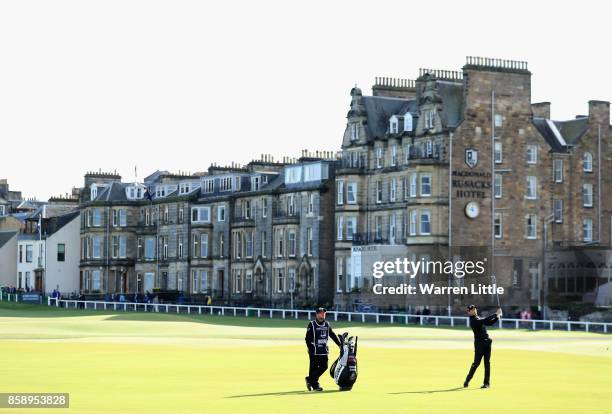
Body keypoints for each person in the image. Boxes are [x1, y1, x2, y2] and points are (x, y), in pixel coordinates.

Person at [463, 304, 502, 389]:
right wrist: (495, 314)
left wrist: (497, 317)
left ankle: (486, 383)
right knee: (476, 363)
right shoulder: (473, 321)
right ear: (469, 312)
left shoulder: (479, 318)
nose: (474, 310)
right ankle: (467, 380)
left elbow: (489, 322)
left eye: (475, 309)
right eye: (472, 310)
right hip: (479, 344)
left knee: (487, 364)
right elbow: (485, 319)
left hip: (487, 342)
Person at [304, 307, 341, 391]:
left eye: (324, 313)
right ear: (317, 314)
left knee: (324, 366)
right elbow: (307, 339)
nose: (322, 315)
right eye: (320, 313)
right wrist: (310, 349)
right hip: (314, 351)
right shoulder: (312, 324)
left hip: (324, 350)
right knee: (313, 368)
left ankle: (309, 379)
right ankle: (315, 385)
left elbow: (332, 335)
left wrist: (340, 345)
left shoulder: (327, 324)